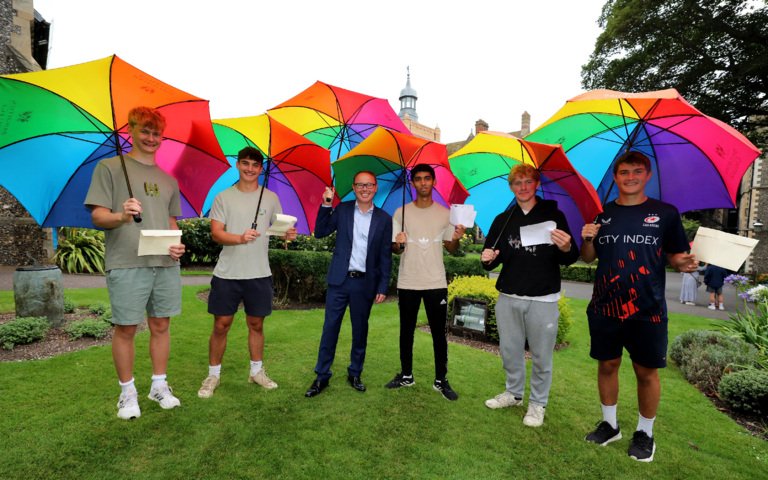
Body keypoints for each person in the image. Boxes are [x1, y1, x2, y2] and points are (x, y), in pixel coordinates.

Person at [580, 151, 697, 462]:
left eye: (636, 171)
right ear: (615, 177)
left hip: (648, 308)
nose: (630, 177)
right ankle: (610, 425)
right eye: (623, 172)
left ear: (647, 176)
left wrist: (682, 262)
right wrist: (588, 238)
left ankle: (645, 432)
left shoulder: (665, 213)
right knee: (607, 365)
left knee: (646, 372)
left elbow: (675, 255)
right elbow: (588, 258)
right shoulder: (601, 214)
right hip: (605, 306)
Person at [85, 106, 186, 420]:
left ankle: (159, 386)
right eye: (145, 130)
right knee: (126, 327)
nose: (151, 137)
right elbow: (98, 216)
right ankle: (127, 393)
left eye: (156, 133)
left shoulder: (169, 181)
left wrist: (177, 245)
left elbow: (171, 221)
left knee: (161, 325)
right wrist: (121, 214)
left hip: (164, 263)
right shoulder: (109, 167)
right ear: (131, 131)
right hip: (127, 261)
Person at [479, 164, 579, 426]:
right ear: (511, 187)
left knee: (541, 355)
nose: (522, 187)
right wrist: (486, 258)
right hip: (509, 295)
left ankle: (537, 404)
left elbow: (570, 257)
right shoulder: (503, 219)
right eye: (517, 183)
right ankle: (513, 394)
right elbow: (490, 260)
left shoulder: (553, 214)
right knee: (510, 350)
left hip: (543, 297)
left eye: (528, 181)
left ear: (536, 184)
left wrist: (567, 246)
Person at [197, 147, 297, 399]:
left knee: (256, 324)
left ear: (261, 168)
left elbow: (278, 229)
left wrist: (288, 234)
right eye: (245, 163)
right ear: (238, 165)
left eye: (255, 164)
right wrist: (240, 238)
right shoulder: (223, 197)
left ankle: (256, 372)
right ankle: (213, 375)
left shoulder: (271, 197)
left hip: (259, 272)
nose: (250, 168)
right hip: (228, 272)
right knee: (221, 324)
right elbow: (216, 233)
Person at [304, 171, 393, 397]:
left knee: (360, 332)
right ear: (353, 188)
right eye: (360, 185)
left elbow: (385, 256)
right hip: (339, 281)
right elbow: (321, 232)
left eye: (369, 185)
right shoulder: (342, 210)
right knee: (329, 330)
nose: (364, 189)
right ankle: (322, 376)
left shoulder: (384, 219)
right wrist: (326, 204)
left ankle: (355, 373)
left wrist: (383, 286)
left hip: (365, 284)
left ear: (375, 188)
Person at [385, 164, 466, 401]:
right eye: (418, 179)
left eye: (427, 178)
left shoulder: (445, 214)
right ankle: (406, 375)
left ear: (433, 182)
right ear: (412, 183)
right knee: (406, 332)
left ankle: (441, 380)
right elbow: (395, 250)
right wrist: (398, 243)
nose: (423, 183)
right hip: (408, 281)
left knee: (439, 334)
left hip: (435, 281)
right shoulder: (400, 213)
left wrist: (457, 238)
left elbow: (451, 248)